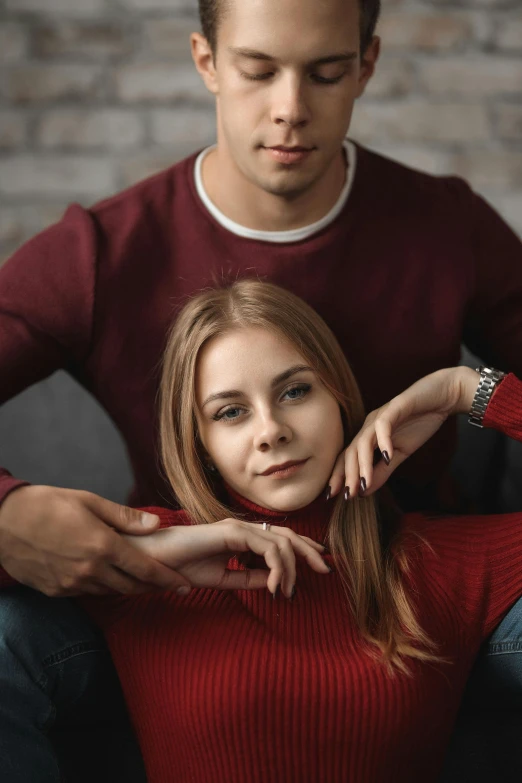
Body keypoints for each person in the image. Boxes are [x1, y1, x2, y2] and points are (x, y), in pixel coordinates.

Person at [0, 0, 521, 779]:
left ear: (367, 66)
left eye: (326, 72)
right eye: (257, 70)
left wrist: (460, 388)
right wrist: (4, 511)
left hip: (415, 594)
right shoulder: (101, 253)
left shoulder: (447, 225)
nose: (290, 110)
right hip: (181, 600)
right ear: (208, 63)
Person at [3, 278, 520, 782]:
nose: (271, 430)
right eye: (231, 412)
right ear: (199, 442)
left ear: (339, 400)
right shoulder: (147, 555)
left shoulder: (441, 560)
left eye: (295, 391)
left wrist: (465, 389)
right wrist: (145, 555)